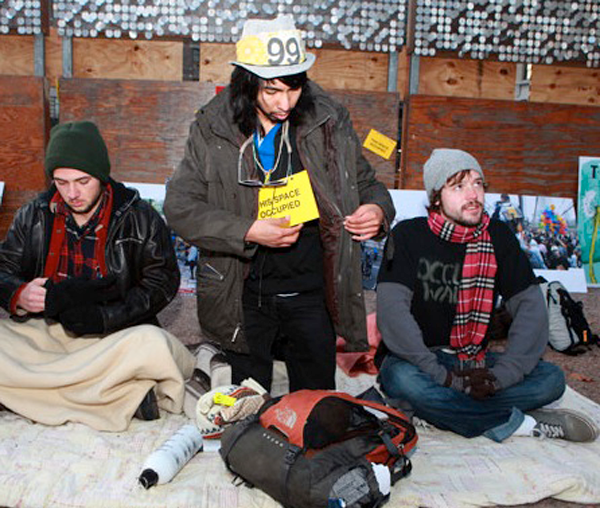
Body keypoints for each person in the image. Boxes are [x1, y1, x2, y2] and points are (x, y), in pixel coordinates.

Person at [165, 14, 394, 392]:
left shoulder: (328, 119)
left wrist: (378, 210)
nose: (284, 102)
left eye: (293, 89)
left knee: (315, 408)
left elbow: (369, 184)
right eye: (271, 91)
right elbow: (180, 206)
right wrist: (249, 231)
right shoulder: (213, 125)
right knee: (248, 408)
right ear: (247, 81)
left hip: (311, 291)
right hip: (242, 293)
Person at [375, 148, 597, 443]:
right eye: (459, 186)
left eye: (478, 184)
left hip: (474, 360)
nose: (473, 195)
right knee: (400, 381)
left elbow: (531, 310)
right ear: (436, 196)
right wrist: (443, 377)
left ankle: (442, 412)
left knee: (552, 381)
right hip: (420, 360)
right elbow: (393, 316)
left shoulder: (498, 235)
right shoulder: (407, 235)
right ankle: (519, 423)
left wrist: (501, 377)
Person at [0, 120, 194, 431]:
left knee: (155, 344)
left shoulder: (139, 217)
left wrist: (105, 317)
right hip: (45, 332)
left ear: (101, 176)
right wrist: (18, 294)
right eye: (61, 183)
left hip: (113, 335)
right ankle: (116, 394)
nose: (72, 193)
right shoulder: (32, 215)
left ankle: (31, 391)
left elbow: (161, 282)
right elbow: (3, 268)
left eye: (83, 181)